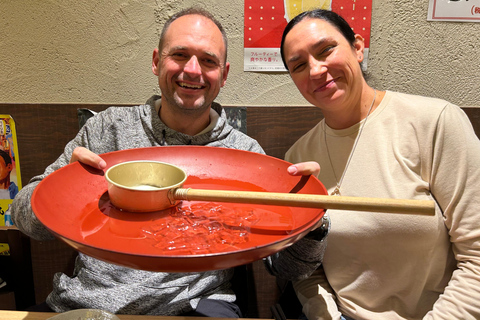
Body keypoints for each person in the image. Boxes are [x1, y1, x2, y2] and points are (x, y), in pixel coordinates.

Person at [10, 7, 265, 317]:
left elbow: (289, 265)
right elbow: (25, 220)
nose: (193, 70)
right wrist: (65, 185)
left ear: (223, 75)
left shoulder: (244, 153)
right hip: (86, 303)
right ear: (157, 61)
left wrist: (313, 216)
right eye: (180, 55)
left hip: (197, 306)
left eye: (208, 61)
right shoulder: (106, 129)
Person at [269, 8, 480, 320]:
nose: (315, 70)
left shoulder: (435, 123)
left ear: (357, 47)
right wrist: (324, 314)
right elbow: (306, 273)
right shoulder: (298, 157)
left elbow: (476, 255)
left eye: (326, 50)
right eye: (299, 65)